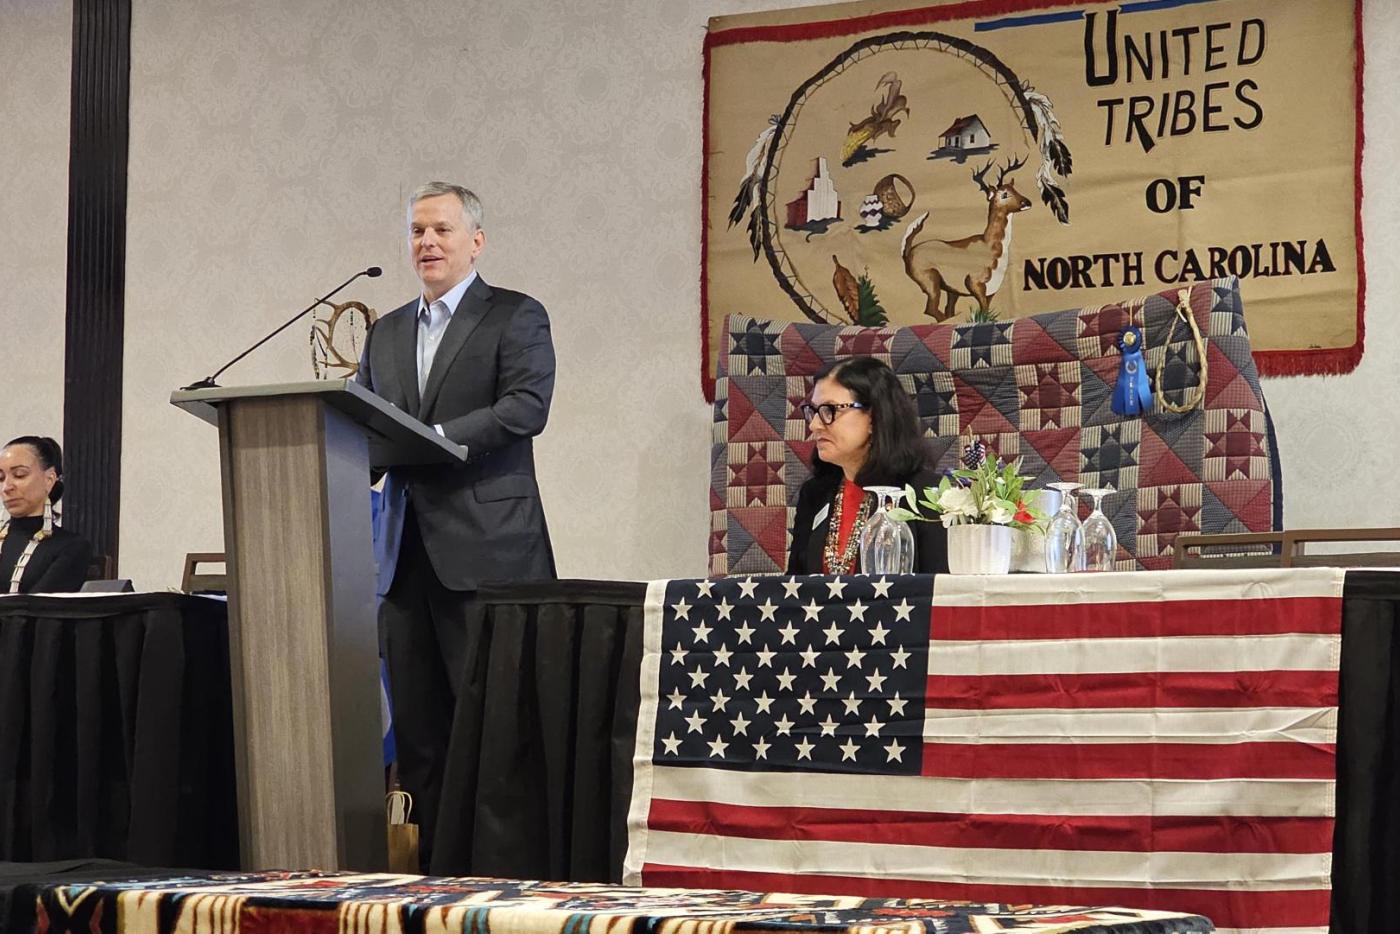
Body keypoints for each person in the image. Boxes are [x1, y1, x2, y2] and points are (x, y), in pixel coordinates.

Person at [356, 181, 557, 863]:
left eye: (441, 230)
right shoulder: (385, 333)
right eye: (416, 231)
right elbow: (365, 431)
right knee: (420, 738)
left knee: (494, 728)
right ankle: (437, 877)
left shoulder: (515, 316)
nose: (426, 243)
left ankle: (504, 877)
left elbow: (526, 407)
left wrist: (434, 436)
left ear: (476, 240)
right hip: (402, 559)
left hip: (487, 555)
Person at [787, 357, 948, 574]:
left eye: (829, 410)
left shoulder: (929, 494)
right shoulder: (814, 494)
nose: (814, 425)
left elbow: (940, 593)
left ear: (873, 417)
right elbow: (795, 588)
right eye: (813, 411)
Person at [0, 436, 93, 594]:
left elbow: (39, 612)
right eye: (1, 478)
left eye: (19, 475)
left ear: (49, 479)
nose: (6, 487)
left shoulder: (71, 547)